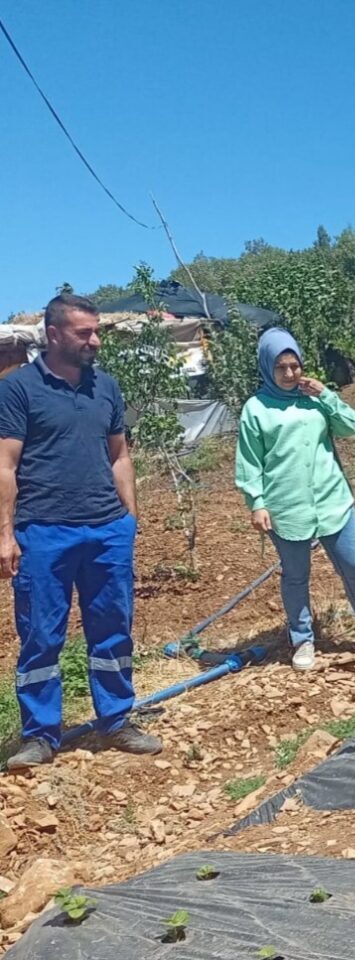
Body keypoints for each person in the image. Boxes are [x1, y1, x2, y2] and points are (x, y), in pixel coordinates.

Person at [0, 294, 161, 769]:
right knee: (41, 636)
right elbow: (5, 465)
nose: (95, 341)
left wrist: (128, 519)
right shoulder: (18, 390)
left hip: (106, 530)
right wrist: (5, 534)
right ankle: (40, 737)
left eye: (97, 332)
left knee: (112, 630)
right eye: (84, 333)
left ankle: (116, 721)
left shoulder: (106, 387)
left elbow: (120, 455)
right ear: (53, 335)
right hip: (42, 531)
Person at [235, 329, 355, 672]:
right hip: (287, 507)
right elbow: (249, 461)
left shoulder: (313, 398)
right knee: (296, 576)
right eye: (281, 367)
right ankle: (302, 639)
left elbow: (351, 426)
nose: (289, 374)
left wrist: (326, 394)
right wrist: (257, 502)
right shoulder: (255, 409)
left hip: (333, 500)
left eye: (294, 366)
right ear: (267, 368)